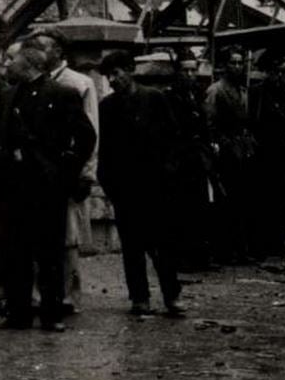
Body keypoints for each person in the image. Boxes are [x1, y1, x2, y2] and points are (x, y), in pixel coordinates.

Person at [0, 39, 95, 332]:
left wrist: (65, 171)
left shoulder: (62, 93)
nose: (7, 65)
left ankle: (51, 314)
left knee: (49, 254)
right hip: (12, 186)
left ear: (28, 64)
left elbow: (85, 137)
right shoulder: (7, 96)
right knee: (14, 252)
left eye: (13, 61)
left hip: (46, 187)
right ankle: (17, 313)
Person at [98, 52, 186, 316]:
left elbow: (174, 139)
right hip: (125, 187)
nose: (112, 80)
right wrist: (110, 185)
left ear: (129, 70)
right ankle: (139, 297)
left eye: (116, 74)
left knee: (162, 244)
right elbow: (105, 150)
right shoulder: (107, 107)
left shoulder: (154, 99)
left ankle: (172, 295)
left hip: (156, 185)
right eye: (108, 76)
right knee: (132, 246)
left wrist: (169, 173)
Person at [30, 29, 98, 315]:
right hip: (38, 170)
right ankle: (39, 293)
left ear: (59, 51)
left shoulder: (80, 83)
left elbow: (91, 131)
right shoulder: (31, 83)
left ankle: (69, 294)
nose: (38, 53)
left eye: (44, 47)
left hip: (68, 169)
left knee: (68, 236)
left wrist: (87, 172)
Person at [204, 48, 255, 263]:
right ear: (225, 66)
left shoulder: (243, 90)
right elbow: (209, 122)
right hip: (225, 150)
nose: (237, 66)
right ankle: (223, 250)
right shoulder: (216, 90)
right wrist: (216, 146)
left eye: (239, 62)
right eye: (233, 63)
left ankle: (240, 248)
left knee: (242, 200)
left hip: (242, 149)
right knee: (225, 201)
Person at [252, 50, 285, 257]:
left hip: (281, 156)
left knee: (279, 200)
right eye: (275, 72)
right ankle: (261, 244)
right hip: (263, 155)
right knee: (263, 200)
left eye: (281, 72)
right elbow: (253, 123)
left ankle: (277, 243)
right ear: (266, 72)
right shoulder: (257, 95)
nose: (279, 76)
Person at [167, 56, 213, 271]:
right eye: (185, 71)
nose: (190, 75)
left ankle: (198, 256)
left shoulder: (196, 95)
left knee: (199, 207)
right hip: (180, 159)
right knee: (181, 209)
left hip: (197, 158)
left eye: (193, 71)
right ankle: (181, 258)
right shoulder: (171, 97)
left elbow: (203, 125)